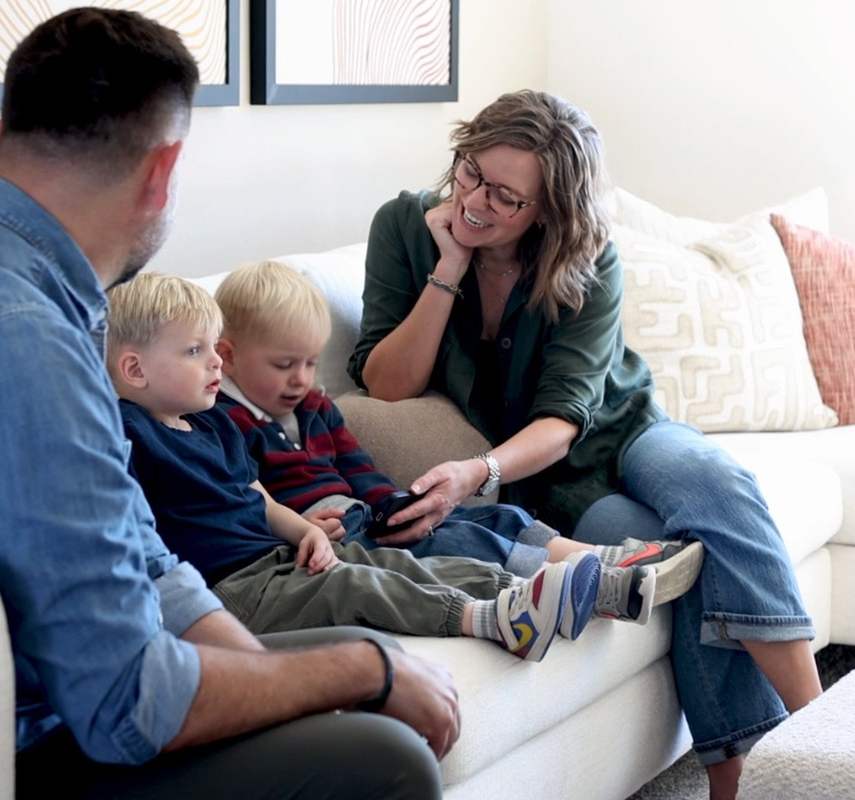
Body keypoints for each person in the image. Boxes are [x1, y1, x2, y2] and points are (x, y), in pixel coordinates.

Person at [0, 10, 458, 800]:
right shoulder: (21, 345)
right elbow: (128, 705)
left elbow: (138, 549)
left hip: (44, 690)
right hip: (21, 745)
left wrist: (263, 667)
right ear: (164, 173)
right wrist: (360, 671)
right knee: (384, 751)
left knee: (350, 657)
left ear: (0, 139)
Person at [347, 89, 823, 799]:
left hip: (625, 432)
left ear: (550, 210)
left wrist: (477, 470)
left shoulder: (587, 257)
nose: (476, 200)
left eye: (507, 197)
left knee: (715, 488)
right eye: (471, 172)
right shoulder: (408, 226)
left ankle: (819, 737)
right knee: (685, 559)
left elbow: (567, 418)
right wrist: (448, 267)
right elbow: (385, 384)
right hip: (559, 490)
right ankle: (737, 782)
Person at [105, 270, 603, 663]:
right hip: (232, 590)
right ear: (135, 369)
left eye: (214, 347)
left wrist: (303, 533)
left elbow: (256, 494)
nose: (215, 362)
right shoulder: (125, 432)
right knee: (353, 584)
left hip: (276, 560)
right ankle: (492, 620)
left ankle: (535, 592)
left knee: (388, 563)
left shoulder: (211, 424)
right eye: (195, 351)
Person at [212, 259, 706, 628]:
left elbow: (357, 466)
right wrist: (296, 530)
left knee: (489, 517)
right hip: (332, 539)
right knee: (464, 541)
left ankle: (603, 560)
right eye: (284, 365)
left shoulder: (314, 405)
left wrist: (396, 505)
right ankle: (584, 584)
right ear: (227, 356)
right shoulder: (223, 421)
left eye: (310, 363)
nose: (301, 379)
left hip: (368, 516)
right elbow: (241, 502)